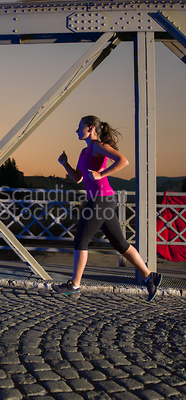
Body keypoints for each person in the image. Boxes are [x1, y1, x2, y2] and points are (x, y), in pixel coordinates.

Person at [55, 115, 162, 302]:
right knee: (120, 244)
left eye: (80, 127)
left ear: (90, 129)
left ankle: (74, 285)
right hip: (101, 199)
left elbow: (123, 161)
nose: (76, 131)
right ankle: (149, 276)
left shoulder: (98, 146)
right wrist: (65, 164)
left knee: (81, 239)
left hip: (101, 199)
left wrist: (101, 174)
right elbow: (79, 178)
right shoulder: (84, 151)